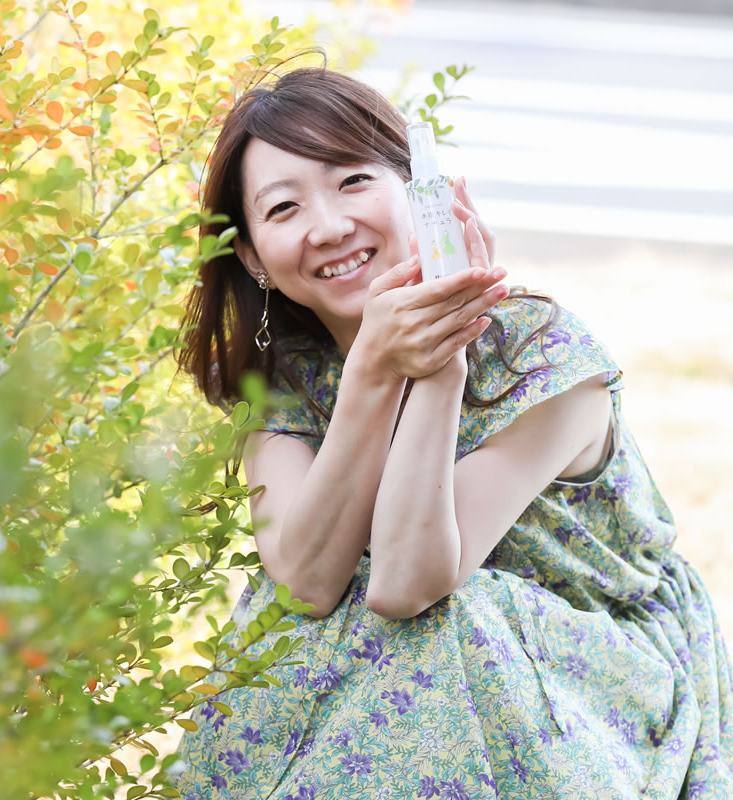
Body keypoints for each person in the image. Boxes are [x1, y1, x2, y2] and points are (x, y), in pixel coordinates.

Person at [174, 66, 733, 799]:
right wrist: (373, 371)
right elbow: (306, 583)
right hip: (391, 672)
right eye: (284, 208)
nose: (330, 226)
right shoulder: (285, 378)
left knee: (447, 625)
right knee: (304, 635)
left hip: (590, 666)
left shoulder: (543, 354)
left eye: (353, 181)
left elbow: (409, 582)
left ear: (419, 190)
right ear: (253, 258)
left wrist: (439, 363)